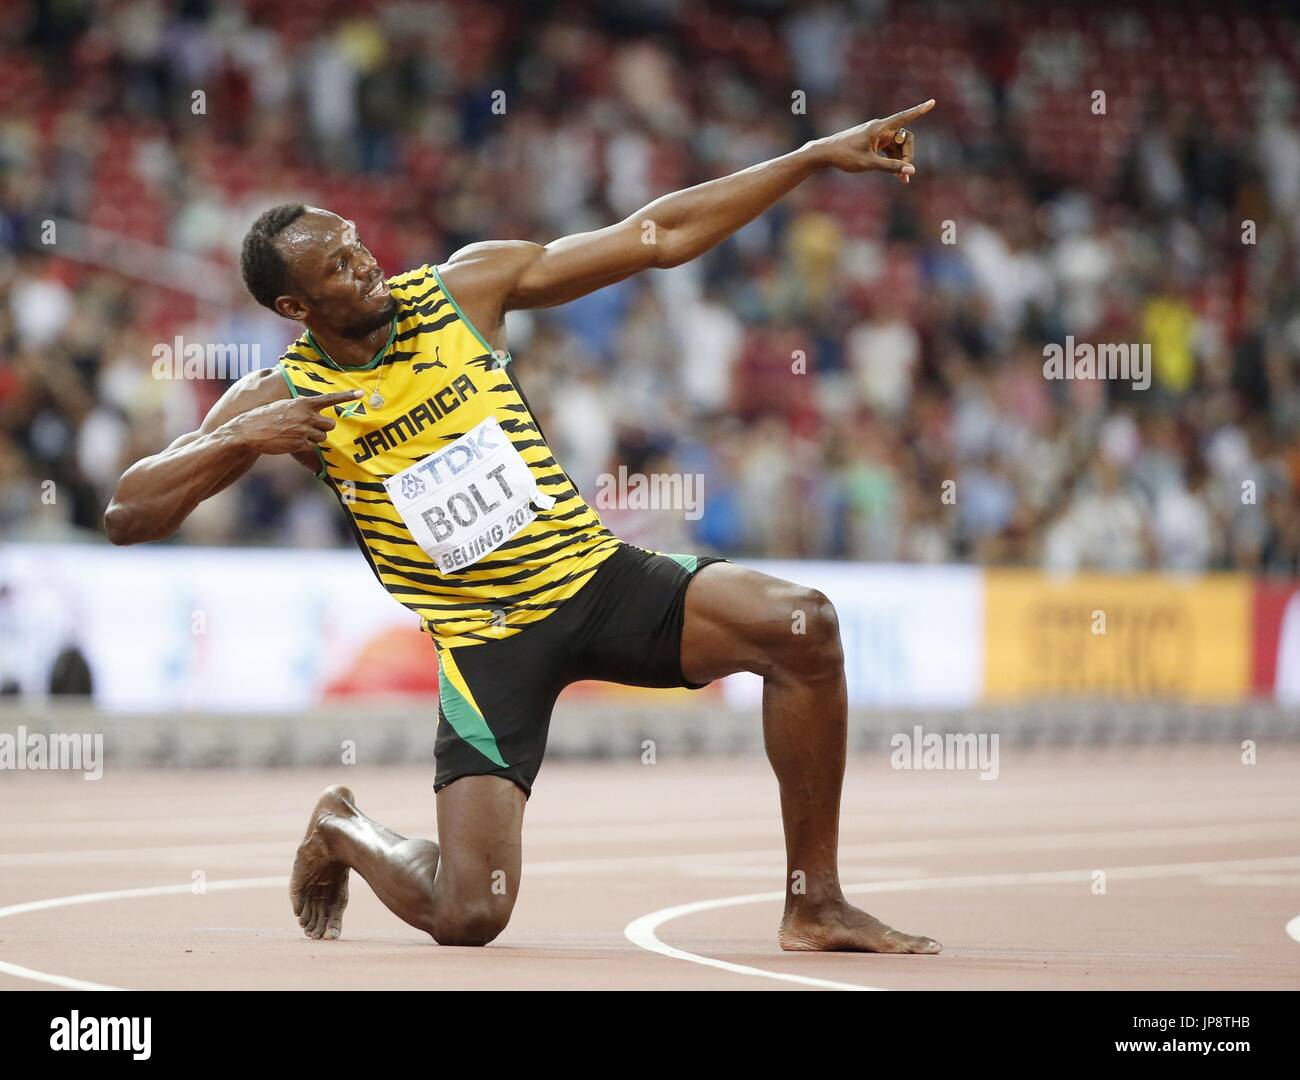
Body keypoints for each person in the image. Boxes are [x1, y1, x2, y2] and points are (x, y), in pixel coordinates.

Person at [104, 101, 941, 954]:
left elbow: (657, 234)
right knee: (470, 915)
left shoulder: (463, 290)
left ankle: (816, 903)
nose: (366, 265)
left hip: (596, 581)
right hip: (485, 646)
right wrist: (246, 437)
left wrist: (808, 156)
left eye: (357, 242)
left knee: (803, 624)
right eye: (338, 267)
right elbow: (127, 512)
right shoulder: (280, 395)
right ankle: (345, 829)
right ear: (294, 304)